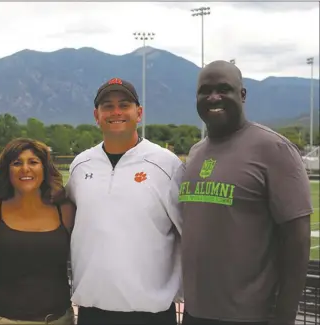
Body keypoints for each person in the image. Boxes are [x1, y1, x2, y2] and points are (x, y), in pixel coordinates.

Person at [179, 60, 313, 325]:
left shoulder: (273, 149)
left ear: (242, 94)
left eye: (224, 89)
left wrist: (284, 317)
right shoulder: (195, 153)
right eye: (205, 91)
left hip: (250, 316)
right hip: (195, 313)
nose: (213, 97)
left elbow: (297, 240)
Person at [66, 78, 185, 325]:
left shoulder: (167, 164)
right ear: (96, 115)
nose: (116, 112)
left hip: (151, 314)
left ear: (138, 113)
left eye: (124, 104)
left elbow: (189, 232)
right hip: (92, 310)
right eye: (107, 106)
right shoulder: (80, 165)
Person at [0, 138, 76, 325]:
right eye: (16, 163)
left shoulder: (64, 210)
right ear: (7, 170)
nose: (25, 169)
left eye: (33, 162)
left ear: (44, 168)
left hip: (58, 320)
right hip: (1, 319)